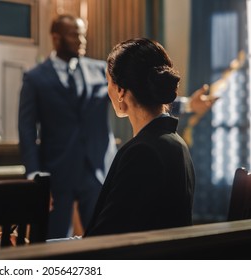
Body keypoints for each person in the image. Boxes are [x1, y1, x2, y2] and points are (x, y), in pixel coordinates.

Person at [19, 14, 211, 239]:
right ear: (56, 38)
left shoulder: (104, 70)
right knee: (53, 233)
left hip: (98, 169)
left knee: (102, 230)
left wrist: (187, 105)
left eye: (83, 34)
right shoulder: (35, 78)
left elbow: (144, 86)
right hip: (58, 170)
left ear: (118, 89)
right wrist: (35, 175)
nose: (82, 40)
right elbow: (27, 129)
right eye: (74, 35)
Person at [84, 38, 195, 237]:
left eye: (108, 82)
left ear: (120, 91)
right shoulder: (177, 144)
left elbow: (103, 240)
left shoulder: (141, 152)